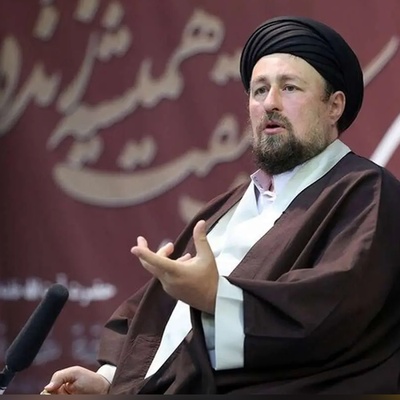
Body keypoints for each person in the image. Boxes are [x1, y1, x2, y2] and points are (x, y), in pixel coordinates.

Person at [42, 15, 400, 395]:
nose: (270, 103)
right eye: (259, 91)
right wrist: (109, 379)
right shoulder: (226, 208)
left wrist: (216, 297)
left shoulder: (366, 191)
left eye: (290, 87)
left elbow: (329, 312)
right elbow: (157, 317)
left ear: (334, 106)